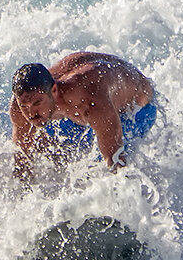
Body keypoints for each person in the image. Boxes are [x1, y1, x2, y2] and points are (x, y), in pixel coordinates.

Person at [10, 51, 156, 179]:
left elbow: (118, 167)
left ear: (54, 90)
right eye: (24, 106)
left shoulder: (90, 102)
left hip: (135, 112)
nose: (31, 113)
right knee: (43, 147)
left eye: (37, 103)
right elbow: (22, 162)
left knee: (102, 170)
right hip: (75, 113)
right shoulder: (21, 105)